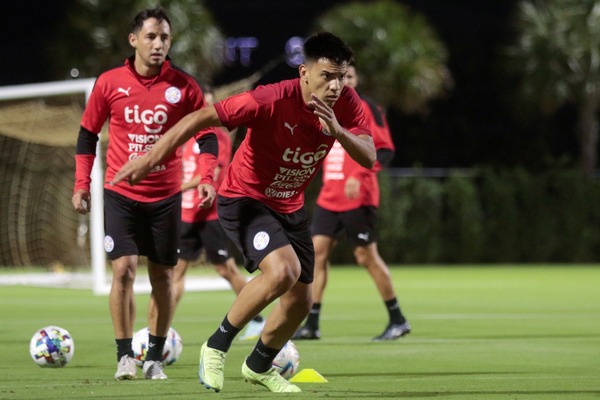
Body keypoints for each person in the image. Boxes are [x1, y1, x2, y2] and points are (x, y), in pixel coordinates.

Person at [112, 32, 376, 393]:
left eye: (341, 77)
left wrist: (338, 130)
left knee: (301, 301)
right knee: (283, 270)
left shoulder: (346, 104)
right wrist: (150, 159)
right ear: (304, 73)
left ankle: (258, 366)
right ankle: (215, 346)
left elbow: (369, 155)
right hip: (245, 198)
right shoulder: (269, 99)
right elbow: (200, 118)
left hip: (290, 206)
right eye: (326, 76)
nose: (335, 86)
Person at [71, 7, 217, 381]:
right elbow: (88, 134)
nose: (158, 44)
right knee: (123, 270)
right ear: (134, 40)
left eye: (165, 37)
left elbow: (207, 135)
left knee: (163, 278)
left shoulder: (184, 87)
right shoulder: (109, 82)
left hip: (165, 197)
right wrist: (81, 184)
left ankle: (153, 357)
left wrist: (205, 177)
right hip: (119, 194)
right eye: (151, 36)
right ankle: (124, 356)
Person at [293, 62, 411, 342]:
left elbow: (384, 150)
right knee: (316, 255)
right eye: (338, 77)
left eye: (349, 76)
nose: (343, 82)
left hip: (359, 197)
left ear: (356, 79)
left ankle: (398, 319)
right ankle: (312, 324)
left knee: (365, 256)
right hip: (329, 198)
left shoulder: (366, 108)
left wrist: (358, 174)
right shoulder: (328, 106)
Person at [147, 88, 265, 341]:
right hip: (185, 216)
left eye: (207, 105)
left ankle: (257, 319)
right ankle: (162, 331)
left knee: (226, 270)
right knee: (176, 273)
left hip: (211, 214)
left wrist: (174, 188)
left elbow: (210, 176)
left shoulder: (218, 138)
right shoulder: (180, 136)